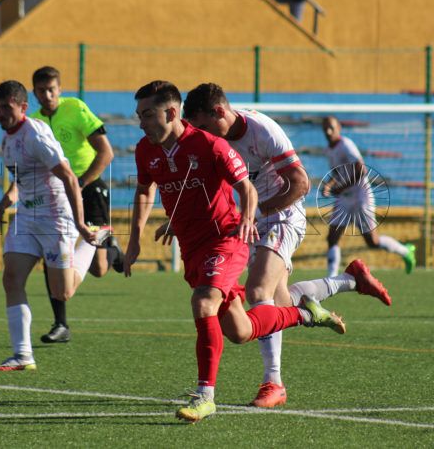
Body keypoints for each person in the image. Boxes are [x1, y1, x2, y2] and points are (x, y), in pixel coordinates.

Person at [125, 80, 346, 423]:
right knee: (240, 331)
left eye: (147, 114)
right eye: (139, 115)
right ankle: (307, 313)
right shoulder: (146, 150)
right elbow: (148, 190)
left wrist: (246, 218)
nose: (141, 123)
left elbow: (251, 188)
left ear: (171, 113)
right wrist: (136, 240)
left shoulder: (213, 143)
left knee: (207, 302)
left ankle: (207, 396)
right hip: (195, 246)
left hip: (230, 237)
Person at [181, 83, 392, 408]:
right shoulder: (215, 140)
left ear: (219, 112)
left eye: (205, 127)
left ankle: (274, 382)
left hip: (282, 215)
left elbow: (301, 183)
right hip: (252, 219)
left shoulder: (262, 131)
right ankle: (350, 280)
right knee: (279, 303)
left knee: (258, 292)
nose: (203, 135)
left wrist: (257, 213)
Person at [0, 80, 106, 371]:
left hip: (55, 217)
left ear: (23, 107)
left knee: (62, 293)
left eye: (6, 107)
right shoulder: (6, 139)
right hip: (26, 217)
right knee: (11, 279)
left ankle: (93, 240)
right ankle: (22, 355)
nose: (0, 113)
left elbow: (68, 177)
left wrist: (80, 223)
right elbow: (22, 178)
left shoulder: (36, 135)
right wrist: (6, 202)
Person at [30, 66, 124, 345]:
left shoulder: (75, 108)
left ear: (59, 89)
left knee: (99, 269)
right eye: (41, 91)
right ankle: (61, 324)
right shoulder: (34, 122)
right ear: (34, 93)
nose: (47, 95)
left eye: (51, 90)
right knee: (53, 253)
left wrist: (80, 182)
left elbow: (106, 152)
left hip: (90, 188)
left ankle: (112, 248)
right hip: (57, 196)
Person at [321, 115, 416, 276]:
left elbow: (361, 170)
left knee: (372, 241)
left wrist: (341, 187)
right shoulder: (329, 149)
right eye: (325, 128)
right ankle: (331, 278)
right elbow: (338, 172)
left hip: (360, 195)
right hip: (344, 198)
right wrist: (329, 185)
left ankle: (405, 251)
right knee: (332, 237)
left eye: (331, 128)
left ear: (339, 128)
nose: (328, 131)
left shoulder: (346, 145)